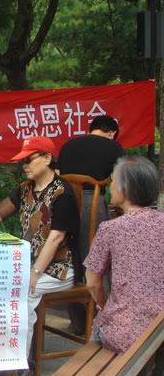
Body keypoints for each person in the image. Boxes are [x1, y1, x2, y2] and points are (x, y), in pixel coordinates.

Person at [0, 136, 79, 376]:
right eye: (21, 161)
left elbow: (56, 238)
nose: (24, 165)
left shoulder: (62, 192)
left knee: (22, 295)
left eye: (28, 159)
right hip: (28, 265)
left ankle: (17, 365)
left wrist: (35, 272)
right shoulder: (25, 189)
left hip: (59, 268)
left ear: (47, 158)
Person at [84, 157, 164, 355]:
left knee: (98, 329)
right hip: (160, 330)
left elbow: (92, 282)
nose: (110, 187)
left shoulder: (111, 228)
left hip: (126, 334)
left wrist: (105, 305)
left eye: (113, 181)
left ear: (125, 188)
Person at [57, 115, 124, 334]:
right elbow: (122, 181)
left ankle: (77, 323)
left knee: (72, 260)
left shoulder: (68, 145)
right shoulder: (113, 147)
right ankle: (101, 321)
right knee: (98, 260)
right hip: (91, 204)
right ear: (112, 133)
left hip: (63, 204)